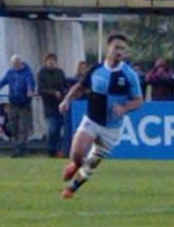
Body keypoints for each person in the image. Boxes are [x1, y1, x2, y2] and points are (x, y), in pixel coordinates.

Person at [59, 34, 144, 199]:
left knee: (92, 162)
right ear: (108, 48)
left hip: (111, 128)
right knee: (77, 154)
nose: (119, 52)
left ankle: (72, 189)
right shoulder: (96, 69)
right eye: (116, 47)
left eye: (123, 49)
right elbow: (80, 87)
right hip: (92, 120)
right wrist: (66, 100)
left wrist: (124, 108)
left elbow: (139, 101)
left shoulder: (129, 75)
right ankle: (75, 164)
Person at [0, 55, 37, 157]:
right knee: (13, 127)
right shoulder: (10, 73)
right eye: (14, 64)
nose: (16, 65)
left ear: (20, 63)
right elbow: (2, 82)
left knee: (23, 127)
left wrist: (30, 91)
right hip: (13, 104)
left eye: (17, 63)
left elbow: (29, 83)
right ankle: (15, 148)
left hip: (24, 105)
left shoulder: (27, 73)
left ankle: (21, 149)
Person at [38, 53, 68, 157]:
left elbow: (65, 86)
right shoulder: (42, 73)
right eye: (49, 60)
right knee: (53, 127)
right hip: (49, 106)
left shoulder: (60, 72)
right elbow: (41, 90)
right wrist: (53, 92)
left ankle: (57, 150)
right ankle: (50, 149)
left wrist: (64, 94)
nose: (51, 62)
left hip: (60, 105)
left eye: (53, 60)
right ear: (45, 62)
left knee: (59, 128)